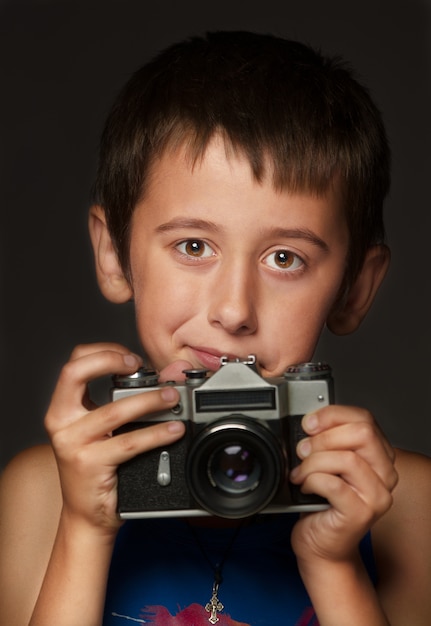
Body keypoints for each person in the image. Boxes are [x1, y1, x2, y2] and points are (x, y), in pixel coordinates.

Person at [0, 30, 430, 626]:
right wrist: (84, 528)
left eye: (285, 258)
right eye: (194, 245)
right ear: (112, 254)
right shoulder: (42, 494)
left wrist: (334, 567)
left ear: (355, 287)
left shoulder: (408, 506)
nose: (232, 310)